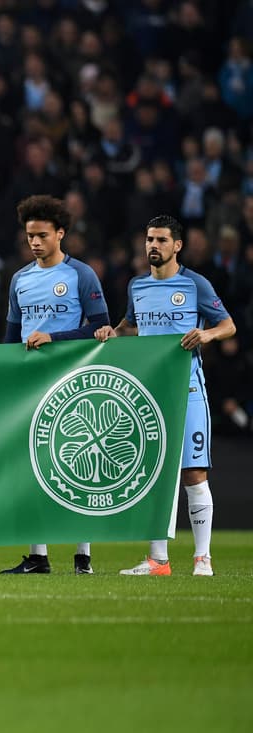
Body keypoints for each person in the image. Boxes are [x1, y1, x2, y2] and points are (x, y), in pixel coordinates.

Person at [97, 215, 237, 577]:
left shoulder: (195, 284)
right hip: (150, 393)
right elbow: (129, 325)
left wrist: (206, 336)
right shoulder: (137, 286)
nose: (153, 246)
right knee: (155, 475)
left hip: (187, 390)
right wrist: (112, 332)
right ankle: (158, 561)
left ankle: (202, 558)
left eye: (161, 240)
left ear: (177, 246)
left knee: (193, 473)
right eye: (149, 239)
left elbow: (228, 325)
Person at [1, 194, 109, 575]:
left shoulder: (81, 275)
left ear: (60, 234)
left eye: (42, 235)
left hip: (73, 380)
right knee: (32, 465)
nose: (34, 242)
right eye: (30, 235)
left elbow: (100, 327)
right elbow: (12, 337)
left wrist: (54, 338)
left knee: (78, 464)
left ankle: (83, 556)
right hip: (31, 382)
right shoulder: (20, 279)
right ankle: (38, 556)